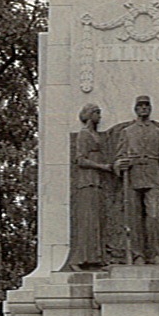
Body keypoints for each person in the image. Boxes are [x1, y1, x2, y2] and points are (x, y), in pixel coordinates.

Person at [109, 95, 159, 263]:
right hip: (133, 178)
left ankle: (156, 254)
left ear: (150, 108)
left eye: (147, 105)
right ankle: (137, 255)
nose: (144, 108)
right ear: (136, 108)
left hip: (154, 178)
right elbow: (118, 157)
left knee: (154, 217)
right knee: (133, 218)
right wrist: (119, 165)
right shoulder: (127, 132)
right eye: (141, 105)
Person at [67, 104, 112, 269]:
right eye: (97, 113)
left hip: (97, 181)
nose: (99, 117)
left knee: (96, 220)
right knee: (87, 219)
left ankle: (96, 258)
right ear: (89, 115)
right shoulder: (83, 135)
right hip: (87, 181)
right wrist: (102, 166)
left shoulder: (94, 134)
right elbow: (80, 160)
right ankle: (77, 260)